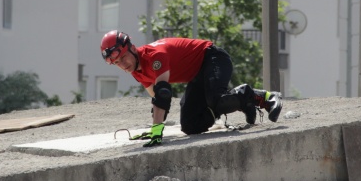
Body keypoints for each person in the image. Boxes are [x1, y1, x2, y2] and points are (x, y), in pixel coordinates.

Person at [100, 30, 282, 147]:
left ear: (132, 48)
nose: (122, 65)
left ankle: (261, 96)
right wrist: (156, 127)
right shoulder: (136, 69)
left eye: (123, 58)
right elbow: (156, 99)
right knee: (190, 126)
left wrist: (157, 132)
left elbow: (163, 94)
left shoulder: (154, 56)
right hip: (197, 75)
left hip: (213, 58)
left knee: (216, 100)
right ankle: (244, 103)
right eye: (116, 63)